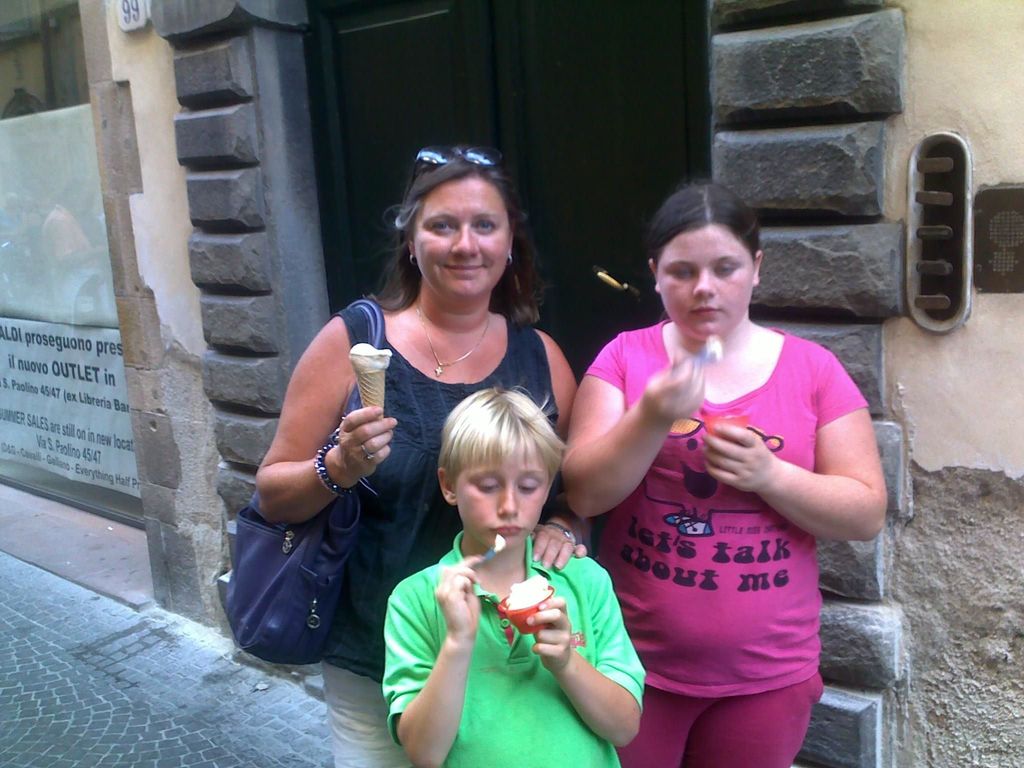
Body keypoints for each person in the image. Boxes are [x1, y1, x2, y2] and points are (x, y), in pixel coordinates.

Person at [255, 145, 582, 768]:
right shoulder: (353, 340)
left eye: (485, 225)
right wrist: (337, 468)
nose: (466, 244)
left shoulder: (540, 358)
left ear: (510, 242)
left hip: (504, 649)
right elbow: (272, 492)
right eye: (442, 225)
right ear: (411, 240)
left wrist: (568, 525)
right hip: (373, 650)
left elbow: (568, 494)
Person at [561, 181, 887, 768]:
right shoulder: (624, 359)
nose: (704, 288)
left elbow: (865, 512)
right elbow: (584, 492)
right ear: (655, 272)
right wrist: (653, 416)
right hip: (631, 665)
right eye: (682, 271)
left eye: (725, 267)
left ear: (756, 269)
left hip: (767, 676)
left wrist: (771, 475)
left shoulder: (813, 369)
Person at [382, 388, 644, 767]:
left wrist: (567, 662)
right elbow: (424, 753)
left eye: (528, 486)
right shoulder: (416, 599)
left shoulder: (585, 580)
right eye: (487, 487)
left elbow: (623, 729)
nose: (509, 506)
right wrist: (457, 644)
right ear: (449, 485)